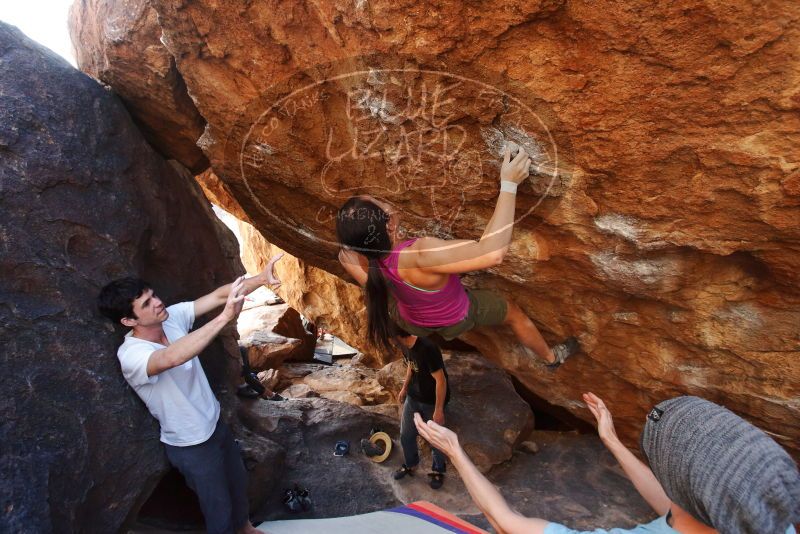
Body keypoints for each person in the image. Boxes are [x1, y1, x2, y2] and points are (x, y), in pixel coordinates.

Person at [414, 393, 800, 534]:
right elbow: (677, 508)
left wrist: (456, 452)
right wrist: (612, 441)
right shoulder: (764, 515)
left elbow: (506, 522)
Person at [335, 147, 579, 367]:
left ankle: (420, 317)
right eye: (381, 203)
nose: (387, 203)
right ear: (389, 225)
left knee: (364, 275)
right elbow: (492, 253)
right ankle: (551, 358)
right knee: (514, 313)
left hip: (412, 320)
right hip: (455, 316)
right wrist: (509, 184)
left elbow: (348, 255)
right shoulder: (420, 254)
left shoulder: (364, 257)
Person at [96, 255, 283, 534]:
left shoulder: (171, 318)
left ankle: (245, 528)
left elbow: (219, 295)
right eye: (146, 304)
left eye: (153, 295)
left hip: (215, 424)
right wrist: (225, 317)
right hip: (191, 444)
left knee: (237, 483)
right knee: (217, 509)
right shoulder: (131, 355)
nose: (157, 302)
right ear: (128, 320)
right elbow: (171, 357)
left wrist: (260, 279)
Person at [391, 325, 451, 489]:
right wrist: (404, 388)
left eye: (390, 338)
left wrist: (438, 410)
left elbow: (441, 380)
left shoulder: (427, 348)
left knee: (435, 438)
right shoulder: (405, 346)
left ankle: (438, 470)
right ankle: (411, 464)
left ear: (398, 336)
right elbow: (411, 365)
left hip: (431, 401)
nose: (389, 342)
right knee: (406, 434)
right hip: (413, 397)